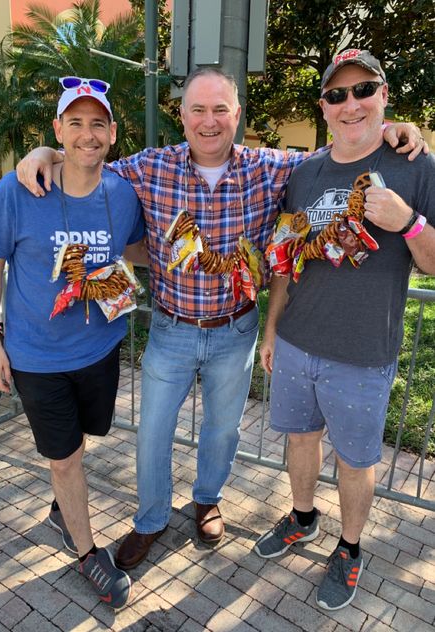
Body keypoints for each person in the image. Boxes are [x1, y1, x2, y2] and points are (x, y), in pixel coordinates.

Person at [15, 66, 427, 571]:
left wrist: (390, 128)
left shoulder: (272, 167)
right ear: (182, 115)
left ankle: (207, 500)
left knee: (222, 431)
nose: (209, 121)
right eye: (198, 110)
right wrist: (46, 153)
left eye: (220, 110)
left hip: (236, 330)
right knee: (154, 432)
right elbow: (88, 160)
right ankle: (150, 520)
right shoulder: (149, 166)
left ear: (236, 114)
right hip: (169, 329)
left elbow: (342, 149)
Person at [255, 49, 435, 611]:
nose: (350, 104)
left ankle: (350, 548)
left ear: (383, 95)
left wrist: (407, 221)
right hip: (296, 342)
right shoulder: (304, 172)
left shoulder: (416, 165)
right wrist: (271, 329)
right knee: (300, 441)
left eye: (363, 91)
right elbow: (287, 259)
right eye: (337, 95)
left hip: (363, 351)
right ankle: (303, 518)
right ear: (324, 106)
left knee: (356, 461)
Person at [0, 78, 147, 610]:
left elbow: (139, 251)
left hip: (100, 349)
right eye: (75, 123)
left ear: (113, 134)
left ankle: (60, 506)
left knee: (85, 436)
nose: (87, 134)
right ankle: (86, 551)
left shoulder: (123, 192)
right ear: (58, 130)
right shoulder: (19, 190)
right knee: (66, 459)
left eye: (98, 124)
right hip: (36, 357)